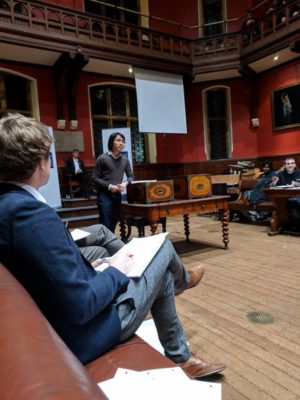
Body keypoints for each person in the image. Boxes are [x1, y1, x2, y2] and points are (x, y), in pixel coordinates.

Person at [0, 113, 226, 379]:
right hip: (88, 333)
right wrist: (115, 270)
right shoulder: (31, 215)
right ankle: (184, 281)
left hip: (60, 321)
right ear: (41, 163)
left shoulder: (9, 205)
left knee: (161, 274)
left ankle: (182, 356)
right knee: (163, 247)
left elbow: (49, 274)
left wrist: (88, 268)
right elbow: (82, 305)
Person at [92, 132, 134, 233]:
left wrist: (125, 183)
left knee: (114, 221)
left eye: (123, 142)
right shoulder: (102, 158)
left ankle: (110, 243)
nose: (121, 143)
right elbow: (94, 178)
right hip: (104, 195)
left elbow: (131, 177)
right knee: (105, 222)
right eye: (118, 140)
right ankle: (104, 245)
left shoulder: (125, 160)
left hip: (117, 195)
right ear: (111, 142)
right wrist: (109, 186)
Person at [271, 157, 300, 230]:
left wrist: (298, 184)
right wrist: (273, 183)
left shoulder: (299, 172)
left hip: (297, 198)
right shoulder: (280, 174)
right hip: (284, 199)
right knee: (295, 215)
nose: (290, 165)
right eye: (288, 164)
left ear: (295, 165)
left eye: (292, 163)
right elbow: (272, 186)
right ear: (285, 165)